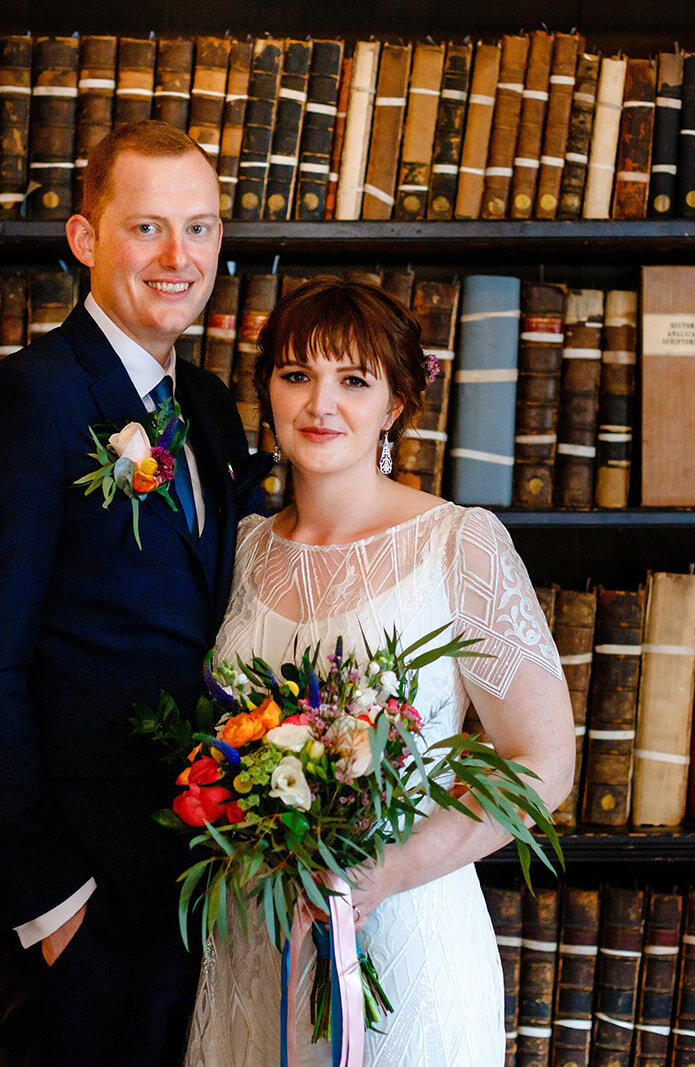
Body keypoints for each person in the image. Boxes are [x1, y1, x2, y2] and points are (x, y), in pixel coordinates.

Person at [0, 120, 267, 1065]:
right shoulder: (24, 404)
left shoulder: (205, 406)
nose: (178, 257)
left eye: (199, 229)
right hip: (85, 904)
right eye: (147, 227)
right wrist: (54, 901)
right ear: (84, 239)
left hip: (205, 883)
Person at [183, 277, 576, 1066]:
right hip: (256, 944)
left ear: (395, 402)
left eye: (353, 380)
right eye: (297, 375)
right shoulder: (240, 548)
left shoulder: (457, 543)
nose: (320, 404)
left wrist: (385, 871)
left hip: (403, 936)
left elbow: (545, 761)